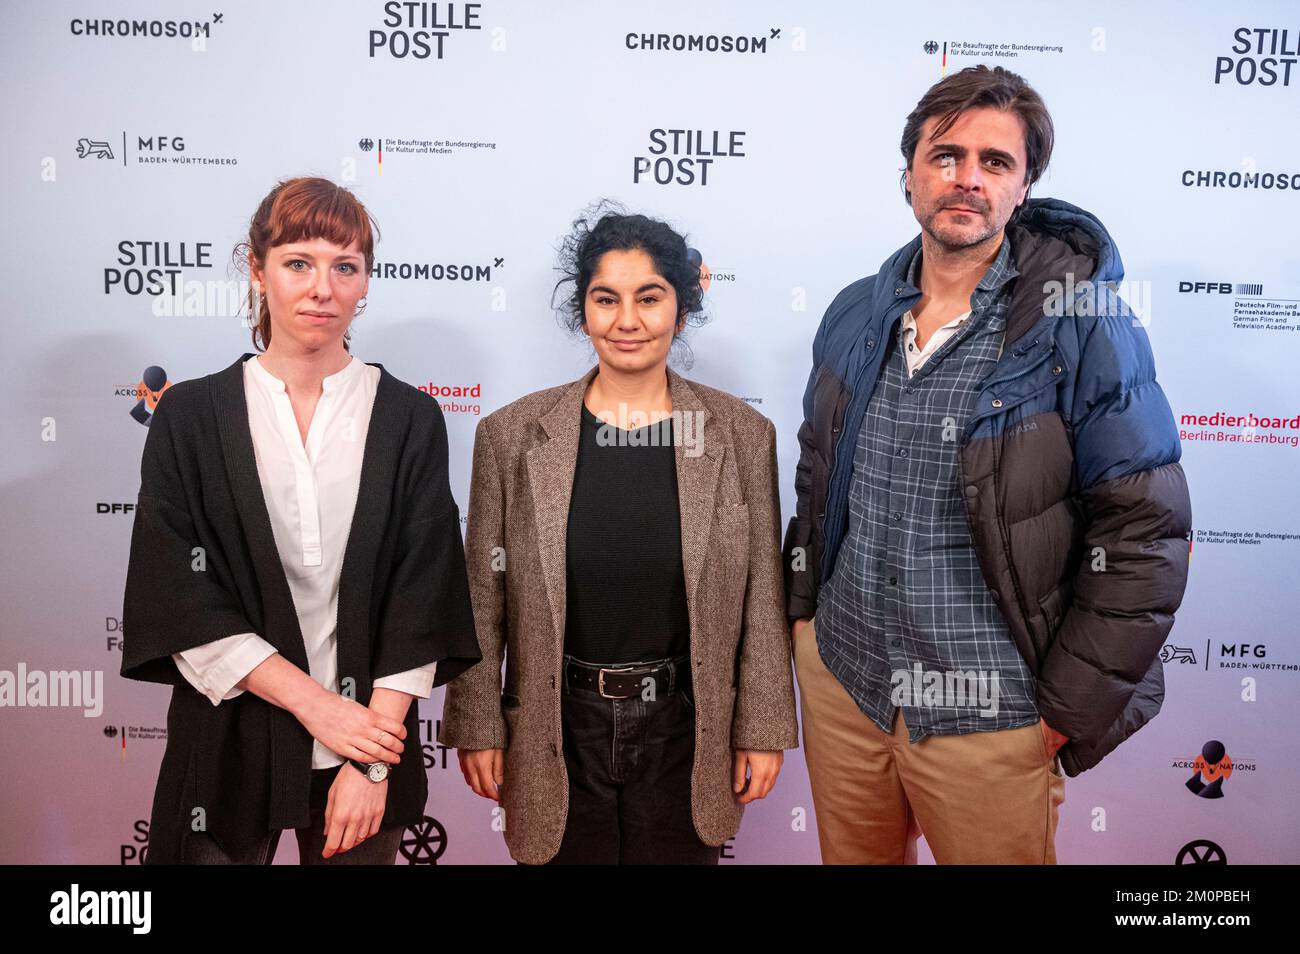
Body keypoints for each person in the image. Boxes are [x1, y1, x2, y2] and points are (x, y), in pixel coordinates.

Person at [782, 65, 1192, 864]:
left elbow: (1147, 531)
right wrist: (804, 622)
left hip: (993, 716)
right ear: (908, 176)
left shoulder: (1084, 324)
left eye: (995, 162)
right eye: (946, 155)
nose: (967, 178)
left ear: (1024, 184)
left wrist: (1062, 710)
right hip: (847, 688)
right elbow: (817, 479)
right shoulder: (853, 312)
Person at [121, 176, 481, 864]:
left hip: (367, 747)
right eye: (298, 263)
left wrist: (370, 756)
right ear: (257, 271)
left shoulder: (408, 418)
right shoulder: (191, 419)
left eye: (344, 267)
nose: (322, 287)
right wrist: (320, 708)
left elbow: (421, 596)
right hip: (227, 741)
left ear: (366, 283)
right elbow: (180, 595)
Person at [440, 208, 799, 864]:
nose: (627, 320)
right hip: (557, 724)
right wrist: (476, 723)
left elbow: (761, 602)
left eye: (650, 298)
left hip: (687, 728)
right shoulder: (512, 436)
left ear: (682, 312)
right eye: (606, 299)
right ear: (583, 312)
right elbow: (482, 603)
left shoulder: (741, 436)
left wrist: (765, 725)